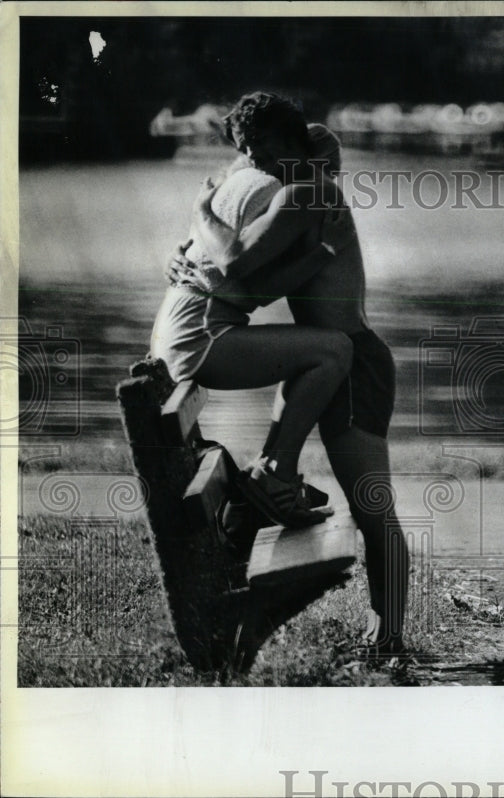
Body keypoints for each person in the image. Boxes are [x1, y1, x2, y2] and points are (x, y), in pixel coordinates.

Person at [169, 92, 409, 658]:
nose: (258, 166)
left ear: (301, 149)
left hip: (353, 361)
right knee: (366, 503)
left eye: (267, 152)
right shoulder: (296, 193)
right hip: (331, 355)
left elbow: (232, 266)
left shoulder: (310, 193)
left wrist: (199, 221)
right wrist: (186, 260)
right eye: (251, 155)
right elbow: (240, 270)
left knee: (374, 506)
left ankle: (392, 633)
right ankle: (388, 631)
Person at [151, 97, 353, 530]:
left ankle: (271, 475)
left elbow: (248, 283)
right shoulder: (275, 188)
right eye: (244, 146)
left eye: (255, 144)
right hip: (199, 336)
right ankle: (275, 478)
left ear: (286, 139)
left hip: (188, 329)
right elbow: (233, 265)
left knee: (318, 353)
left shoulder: (269, 185)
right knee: (333, 352)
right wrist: (200, 211)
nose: (249, 156)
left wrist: (321, 254)